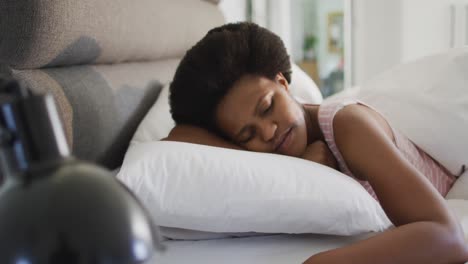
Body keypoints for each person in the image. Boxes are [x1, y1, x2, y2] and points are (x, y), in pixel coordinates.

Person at [164, 22, 468, 263]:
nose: (268, 132)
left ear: (282, 82)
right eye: (247, 134)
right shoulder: (269, 148)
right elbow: (179, 139)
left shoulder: (349, 127)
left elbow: (448, 237)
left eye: (268, 106)